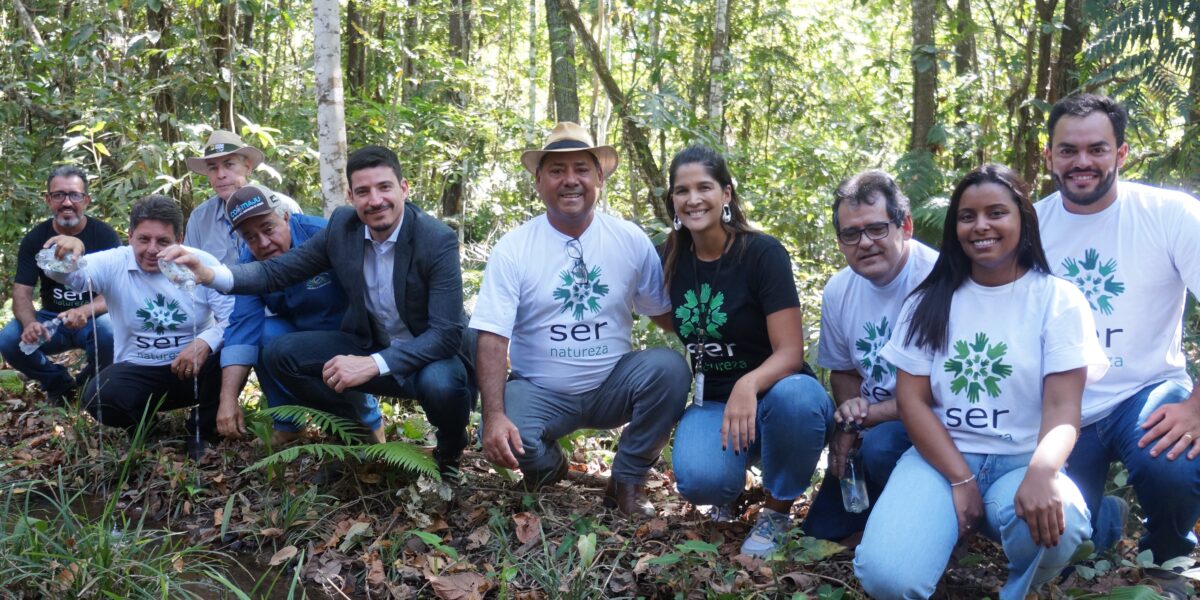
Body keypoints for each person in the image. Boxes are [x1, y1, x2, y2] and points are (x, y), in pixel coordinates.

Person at [854, 165, 1107, 600]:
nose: (981, 226)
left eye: (996, 212)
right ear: (956, 228)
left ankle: (1028, 581)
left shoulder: (1057, 299)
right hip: (939, 460)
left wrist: (1043, 472)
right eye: (967, 216)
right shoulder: (929, 300)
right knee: (888, 578)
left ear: (1022, 219)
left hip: (1023, 461)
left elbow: (1064, 408)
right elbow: (911, 402)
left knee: (1060, 521)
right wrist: (959, 479)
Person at [162, 146, 475, 470]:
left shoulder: (436, 239)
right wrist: (210, 274)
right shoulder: (343, 227)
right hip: (369, 341)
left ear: (404, 188)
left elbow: (446, 334)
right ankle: (356, 438)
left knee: (442, 383)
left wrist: (373, 364)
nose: (376, 200)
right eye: (363, 191)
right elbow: (276, 272)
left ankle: (449, 452)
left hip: (427, 353)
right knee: (280, 352)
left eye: (384, 187)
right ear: (351, 197)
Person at [472, 122, 689, 518]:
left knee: (669, 368)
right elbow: (491, 336)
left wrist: (726, 335)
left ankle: (627, 480)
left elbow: (662, 314)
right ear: (539, 181)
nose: (570, 180)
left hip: (612, 385)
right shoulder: (515, 248)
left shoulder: (629, 239)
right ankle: (547, 465)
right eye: (557, 170)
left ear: (599, 178)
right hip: (541, 391)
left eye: (581, 169)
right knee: (508, 431)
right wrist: (494, 416)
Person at [1037, 93, 1200, 596]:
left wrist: (1197, 406)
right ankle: (1102, 524)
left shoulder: (1170, 215)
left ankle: (1169, 557)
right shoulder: (1028, 225)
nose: (1082, 161)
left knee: (1170, 463)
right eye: (1067, 150)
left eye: (1097, 149)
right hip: (1064, 405)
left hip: (1146, 389)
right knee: (1050, 542)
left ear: (1122, 154)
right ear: (1049, 158)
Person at [660, 145, 832, 556]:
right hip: (714, 400)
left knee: (798, 398)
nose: (693, 199)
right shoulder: (669, 256)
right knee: (700, 479)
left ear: (726, 194)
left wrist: (748, 384)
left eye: (704, 187)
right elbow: (663, 315)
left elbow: (790, 351)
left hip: (777, 393)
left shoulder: (761, 254)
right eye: (682, 191)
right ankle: (728, 490)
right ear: (673, 201)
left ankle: (776, 511)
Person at [801, 170, 937, 542]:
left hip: (932, 429)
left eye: (877, 229)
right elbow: (844, 370)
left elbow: (941, 393)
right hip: (871, 425)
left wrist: (864, 421)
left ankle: (921, 532)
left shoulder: (939, 281)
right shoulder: (839, 290)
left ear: (904, 226)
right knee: (819, 537)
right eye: (851, 234)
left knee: (880, 448)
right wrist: (851, 420)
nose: (865, 243)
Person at [45, 195, 232, 460]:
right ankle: (143, 425)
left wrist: (205, 342)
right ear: (130, 235)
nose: (152, 249)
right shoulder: (114, 262)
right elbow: (68, 276)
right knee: (97, 397)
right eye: (144, 239)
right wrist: (65, 251)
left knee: (233, 350)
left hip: (196, 369)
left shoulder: (202, 263)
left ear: (179, 240)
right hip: (140, 369)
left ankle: (203, 430)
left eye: (163, 241)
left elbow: (233, 319)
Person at [213, 184, 379, 446]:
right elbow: (243, 327)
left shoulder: (324, 235)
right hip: (298, 336)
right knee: (264, 335)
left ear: (286, 216)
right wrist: (228, 399)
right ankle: (288, 425)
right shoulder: (249, 263)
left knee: (344, 375)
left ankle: (368, 423)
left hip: (349, 336)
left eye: (268, 229)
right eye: (251, 237)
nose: (264, 243)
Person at [0, 166, 122, 404]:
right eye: (58, 195)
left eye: (74, 195)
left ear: (86, 200)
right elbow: (22, 293)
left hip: (93, 319)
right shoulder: (36, 238)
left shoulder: (104, 235)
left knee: (112, 333)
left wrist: (84, 311)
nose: (67, 202)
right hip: (53, 320)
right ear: (48, 200)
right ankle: (59, 384)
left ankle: (87, 385)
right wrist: (29, 323)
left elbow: (114, 292)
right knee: (8, 339)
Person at [184, 130, 300, 266]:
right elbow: (190, 269)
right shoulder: (200, 218)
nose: (221, 175)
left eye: (229, 165)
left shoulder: (281, 205)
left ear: (248, 167)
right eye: (213, 168)